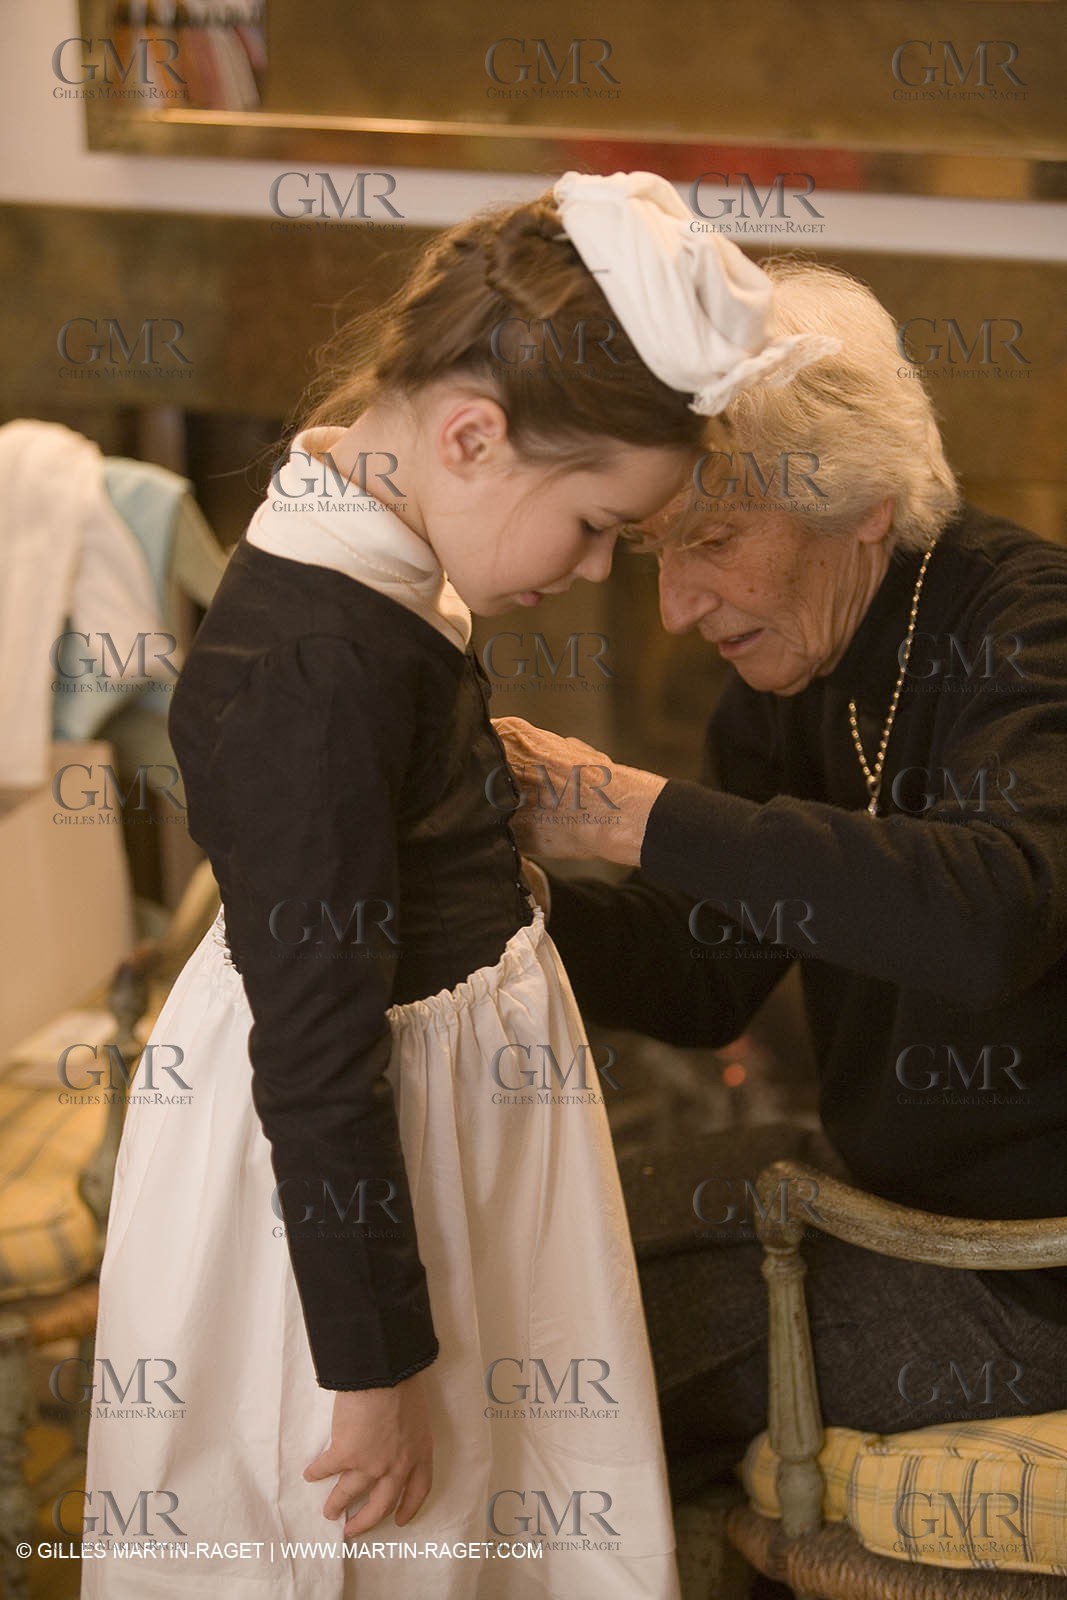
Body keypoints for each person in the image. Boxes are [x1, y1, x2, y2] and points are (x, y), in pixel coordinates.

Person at [82, 173, 836, 1599]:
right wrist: (366, 1370)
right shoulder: (314, 665)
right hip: (355, 1178)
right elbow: (314, 1052)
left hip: (453, 1124)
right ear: (470, 434)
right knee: (399, 1534)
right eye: (599, 526)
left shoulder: (388, 543)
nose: (603, 567)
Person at [497, 256, 1067, 1501]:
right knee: (508, 1260)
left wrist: (616, 807)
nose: (677, 605)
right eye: (654, 546)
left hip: (1024, 1274)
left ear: (861, 501)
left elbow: (991, 914)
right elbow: (706, 973)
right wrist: (504, 905)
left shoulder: (1030, 625)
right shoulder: (797, 659)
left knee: (535, 1369)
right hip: (885, 1198)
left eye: (710, 540)